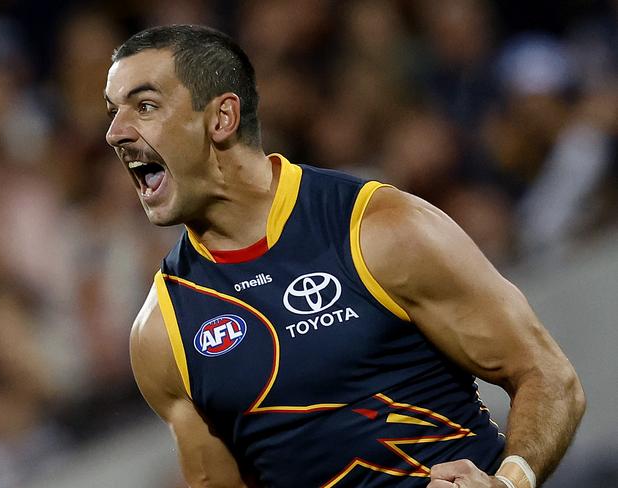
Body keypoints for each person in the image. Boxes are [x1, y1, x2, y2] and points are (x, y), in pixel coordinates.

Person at [104, 25, 585, 488]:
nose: (115, 133)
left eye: (144, 106)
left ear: (222, 119)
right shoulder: (161, 332)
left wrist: (507, 482)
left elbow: (549, 377)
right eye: (113, 112)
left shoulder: (380, 229)